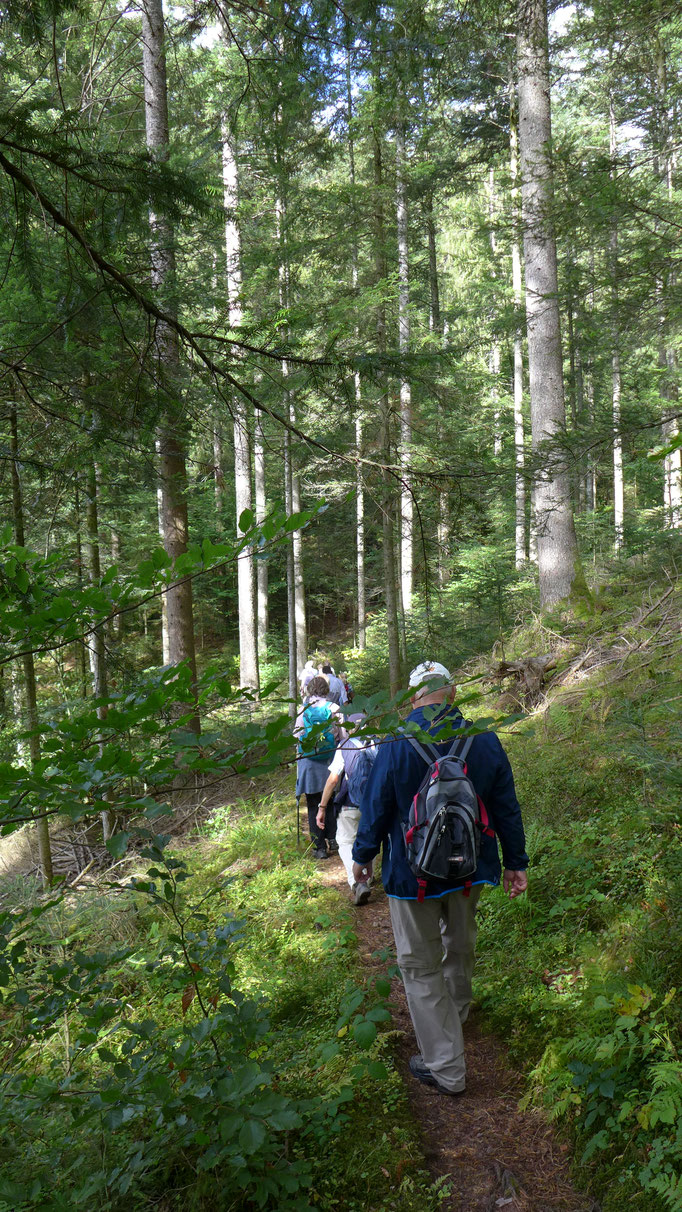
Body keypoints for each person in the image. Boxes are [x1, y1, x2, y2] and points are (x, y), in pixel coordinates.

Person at [352, 660, 528, 1096]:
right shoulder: (482, 739)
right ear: (452, 693)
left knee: (418, 965)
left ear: (413, 698)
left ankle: (447, 1066)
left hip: (412, 879)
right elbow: (506, 804)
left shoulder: (395, 742)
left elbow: (376, 809)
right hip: (472, 870)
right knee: (460, 946)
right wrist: (515, 862)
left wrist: (362, 857)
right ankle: (455, 1017)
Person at [315, 715, 375, 906]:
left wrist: (322, 807)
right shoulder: (380, 743)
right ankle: (367, 876)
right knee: (370, 838)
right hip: (374, 804)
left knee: (345, 841)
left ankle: (357, 882)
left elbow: (333, 780)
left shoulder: (345, 747)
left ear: (349, 728)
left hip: (351, 802)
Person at [294, 675, 345, 859]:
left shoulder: (303, 709)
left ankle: (319, 848)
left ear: (309, 690)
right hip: (329, 762)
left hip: (309, 762)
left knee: (313, 803)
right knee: (330, 799)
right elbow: (342, 734)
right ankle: (333, 838)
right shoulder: (334, 708)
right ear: (326, 690)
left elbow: (297, 735)